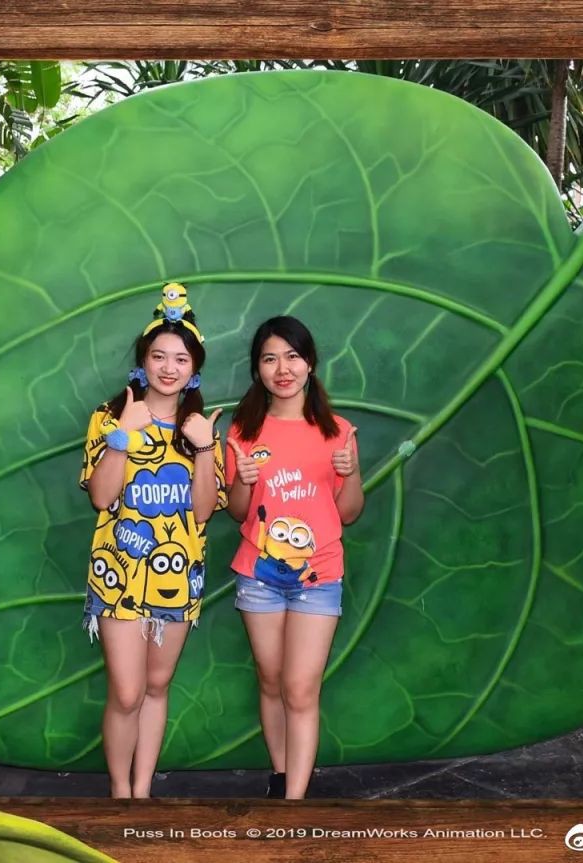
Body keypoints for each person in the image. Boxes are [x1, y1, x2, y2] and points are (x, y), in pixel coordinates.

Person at [78, 283, 225, 799]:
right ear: (142, 361)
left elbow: (203, 511)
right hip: (118, 573)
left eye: (181, 359)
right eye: (159, 356)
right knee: (127, 692)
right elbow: (101, 497)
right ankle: (120, 795)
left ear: (194, 369)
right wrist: (122, 436)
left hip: (179, 576)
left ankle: (142, 794)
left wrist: (203, 448)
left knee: (157, 687)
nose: (169, 367)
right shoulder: (109, 417)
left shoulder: (200, 427)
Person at [225, 316, 364, 800]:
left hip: (319, 576)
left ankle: (295, 803)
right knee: (271, 681)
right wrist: (243, 480)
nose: (282, 369)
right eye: (270, 359)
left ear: (310, 363)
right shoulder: (243, 432)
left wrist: (352, 472)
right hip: (259, 576)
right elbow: (237, 512)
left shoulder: (339, 432)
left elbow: (349, 513)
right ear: (257, 369)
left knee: (301, 688)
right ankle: (281, 776)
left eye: (292, 356)